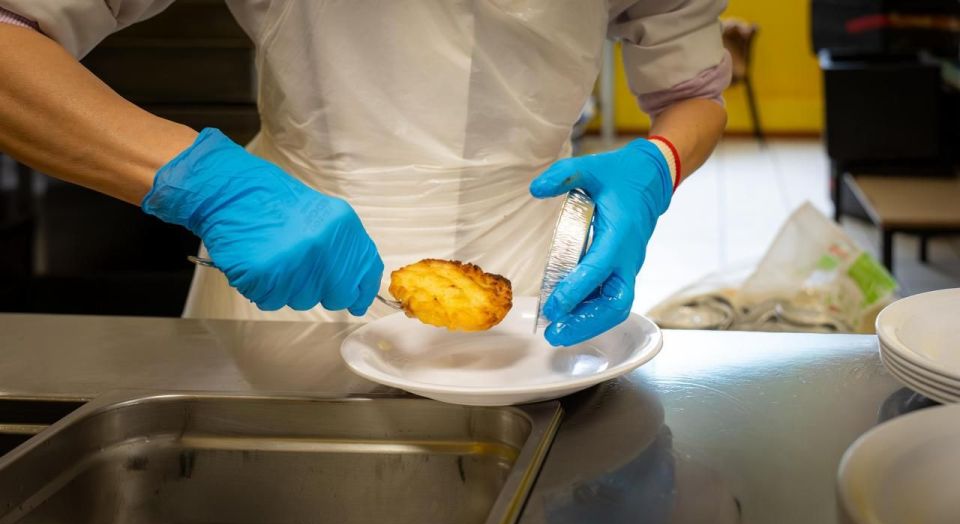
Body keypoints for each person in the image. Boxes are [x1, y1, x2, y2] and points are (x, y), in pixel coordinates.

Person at [0, 1, 729, 347]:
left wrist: (657, 164)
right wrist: (203, 181)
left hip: (535, 298)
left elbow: (692, 91)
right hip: (289, 278)